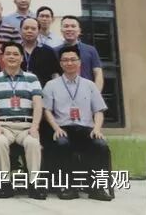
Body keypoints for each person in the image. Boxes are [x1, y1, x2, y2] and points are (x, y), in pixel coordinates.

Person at [42, 45, 113, 201]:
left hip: (86, 129)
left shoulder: (90, 85)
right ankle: (67, 187)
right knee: (61, 144)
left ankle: (97, 189)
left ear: (80, 62)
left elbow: (99, 110)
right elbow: (47, 110)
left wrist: (97, 129)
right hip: (64, 128)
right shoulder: (51, 85)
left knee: (100, 145)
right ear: (60, 63)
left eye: (73, 59)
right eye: (65, 60)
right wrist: (56, 128)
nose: (69, 63)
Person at [0, 43, 45, 199]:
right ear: (2, 57)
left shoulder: (32, 78)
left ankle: (34, 184)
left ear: (22, 58)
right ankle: (5, 183)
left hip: (26, 126)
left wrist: (35, 127)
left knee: (33, 142)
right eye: (8, 54)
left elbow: (38, 104)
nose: (12, 57)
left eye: (16, 54)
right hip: (4, 126)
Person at [60, 15, 103, 91]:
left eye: (73, 26)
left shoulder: (90, 50)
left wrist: (95, 93)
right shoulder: (54, 51)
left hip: (87, 92)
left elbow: (98, 73)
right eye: (66, 26)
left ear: (79, 30)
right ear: (61, 30)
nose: (69, 29)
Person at [19, 17, 60, 87]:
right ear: (20, 30)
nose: (29, 31)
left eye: (33, 29)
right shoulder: (15, 50)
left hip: (43, 90)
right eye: (26, 28)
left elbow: (55, 74)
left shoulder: (48, 51)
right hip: (19, 90)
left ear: (39, 31)